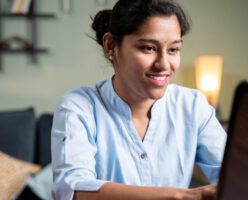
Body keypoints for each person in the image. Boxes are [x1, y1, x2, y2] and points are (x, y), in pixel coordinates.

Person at [51, 0, 227, 199]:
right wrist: (179, 196)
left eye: (173, 50)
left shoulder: (192, 105)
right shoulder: (78, 106)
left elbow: (234, 177)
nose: (163, 64)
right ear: (110, 46)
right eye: (148, 48)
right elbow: (72, 189)